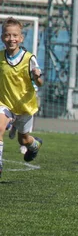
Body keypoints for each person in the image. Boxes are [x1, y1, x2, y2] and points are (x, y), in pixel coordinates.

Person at [0, 17, 44, 179]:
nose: (11, 39)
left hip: (24, 106)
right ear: (2, 37)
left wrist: (36, 76)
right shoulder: (0, 57)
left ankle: (35, 145)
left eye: (14, 35)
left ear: (21, 38)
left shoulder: (29, 58)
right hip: (5, 103)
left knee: (23, 140)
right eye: (7, 35)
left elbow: (40, 83)